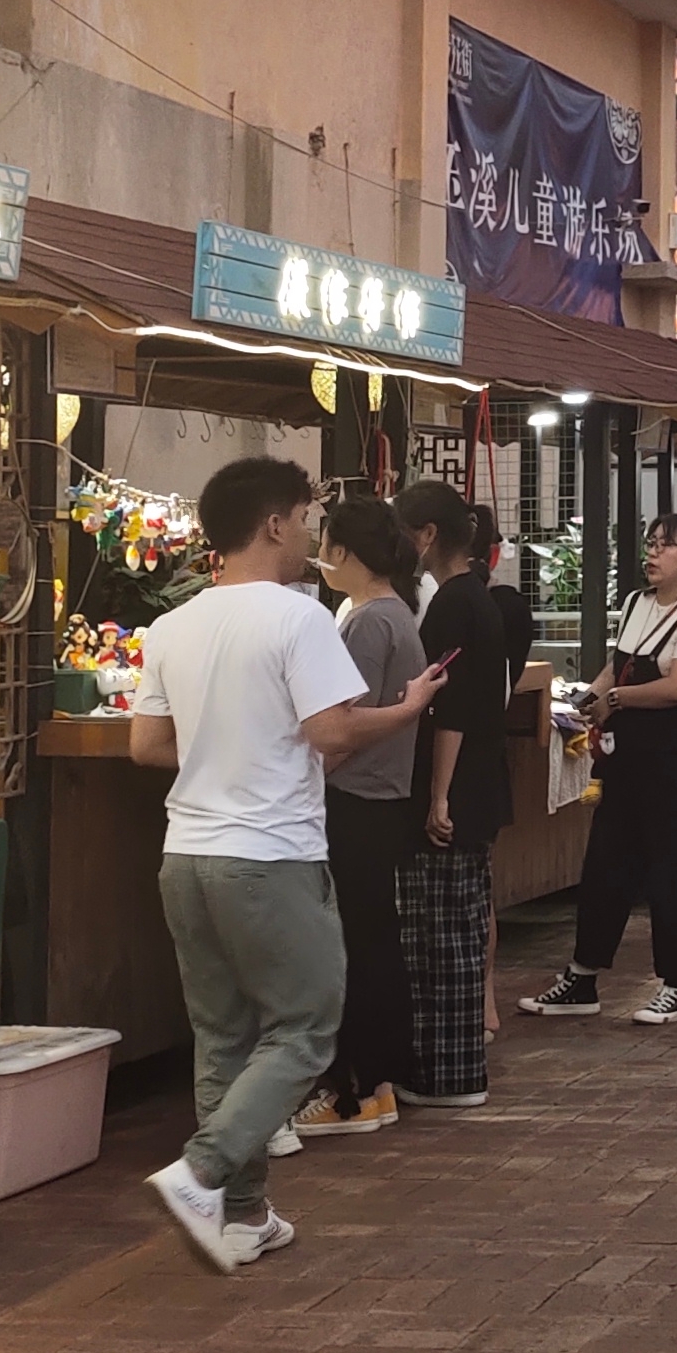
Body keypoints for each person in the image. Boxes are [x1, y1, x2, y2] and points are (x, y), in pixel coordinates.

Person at [130, 456, 441, 1272]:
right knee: (306, 1027)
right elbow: (335, 732)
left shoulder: (174, 626)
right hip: (270, 856)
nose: (312, 536)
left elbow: (147, 745)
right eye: (306, 519)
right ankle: (203, 1174)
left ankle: (244, 1216)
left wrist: (226, 750)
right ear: (274, 524)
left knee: (223, 1037)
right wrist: (405, 708)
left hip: (185, 855)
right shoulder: (299, 619)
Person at [523, 512, 677, 1026]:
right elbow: (616, 666)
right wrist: (590, 696)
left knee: (674, 874)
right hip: (627, 762)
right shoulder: (638, 604)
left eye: (666, 546)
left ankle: (676, 985)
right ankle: (582, 976)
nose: (653, 553)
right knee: (605, 867)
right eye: (651, 543)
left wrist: (615, 698)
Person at [297, 497, 430, 1139]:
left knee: (353, 947)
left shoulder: (368, 624)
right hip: (382, 803)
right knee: (373, 941)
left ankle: (355, 1091)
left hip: (356, 802)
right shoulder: (394, 615)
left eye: (323, 541)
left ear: (343, 551)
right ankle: (376, 1084)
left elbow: (345, 725)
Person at [398, 486, 514, 1104]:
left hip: (456, 789)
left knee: (438, 936)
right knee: (463, 929)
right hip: (481, 785)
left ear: (425, 535)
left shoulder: (450, 606)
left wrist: (437, 796)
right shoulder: (482, 599)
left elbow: (452, 710)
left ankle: (444, 1076)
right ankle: (460, 1068)